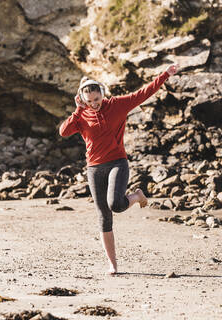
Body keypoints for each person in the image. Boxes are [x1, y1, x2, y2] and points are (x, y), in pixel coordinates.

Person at [59, 64, 179, 275]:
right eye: (89, 102)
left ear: (102, 94)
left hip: (117, 163)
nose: (94, 105)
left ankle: (135, 197)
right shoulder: (81, 115)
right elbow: (63, 132)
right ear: (82, 100)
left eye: (97, 100)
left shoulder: (118, 105)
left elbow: (145, 92)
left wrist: (165, 74)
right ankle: (113, 265)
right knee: (103, 215)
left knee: (115, 204)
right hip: (94, 168)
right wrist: (78, 109)